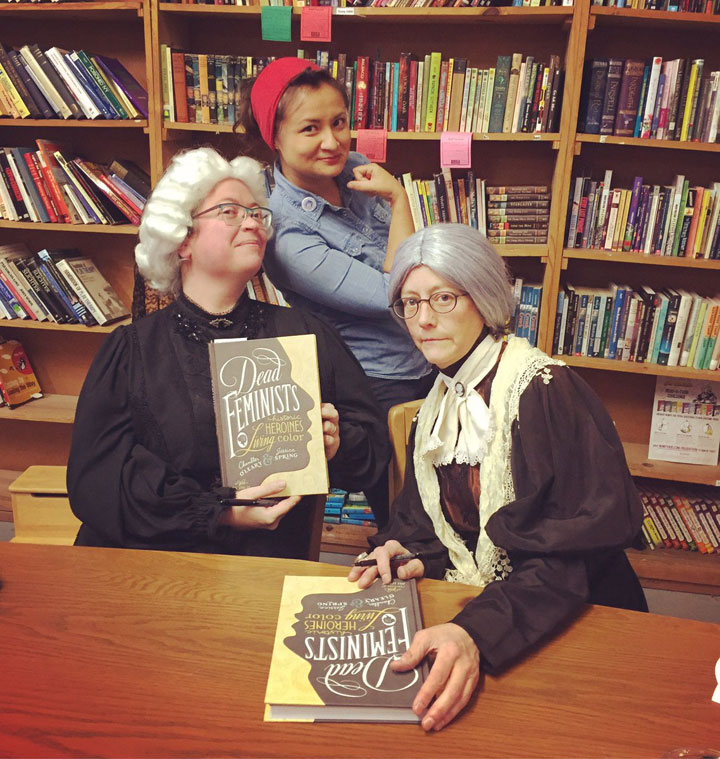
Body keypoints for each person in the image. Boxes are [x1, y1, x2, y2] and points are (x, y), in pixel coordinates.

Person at [348, 223, 647, 732]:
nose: (423, 320)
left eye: (443, 298)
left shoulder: (546, 391)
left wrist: (475, 634)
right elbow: (447, 526)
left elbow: (566, 558)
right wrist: (412, 550)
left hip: (580, 619)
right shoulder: (438, 405)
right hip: (499, 611)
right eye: (410, 303)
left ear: (483, 298)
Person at [67, 146, 390, 559]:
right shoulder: (131, 350)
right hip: (151, 559)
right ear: (182, 240)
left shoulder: (304, 334)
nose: (253, 222)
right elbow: (97, 480)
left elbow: (375, 449)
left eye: (257, 212)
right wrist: (219, 513)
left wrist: (337, 443)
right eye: (230, 212)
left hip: (263, 562)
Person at [236, 57, 434, 526]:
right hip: (376, 384)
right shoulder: (285, 235)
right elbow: (402, 290)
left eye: (340, 122)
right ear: (275, 138)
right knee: (409, 519)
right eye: (310, 128)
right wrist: (399, 198)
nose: (332, 141)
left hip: (427, 360)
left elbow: (420, 260)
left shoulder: (356, 170)